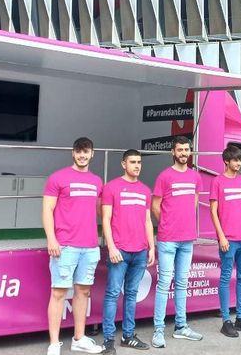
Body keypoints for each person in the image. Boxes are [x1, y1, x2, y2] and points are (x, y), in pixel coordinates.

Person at [43, 137, 105, 355]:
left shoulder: (97, 181)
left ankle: (79, 338)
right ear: (73, 153)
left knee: (83, 291)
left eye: (86, 151)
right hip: (65, 246)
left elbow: (101, 211)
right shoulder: (57, 178)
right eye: (79, 151)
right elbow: (47, 210)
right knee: (59, 293)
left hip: (90, 246)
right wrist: (51, 239)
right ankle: (54, 343)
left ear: (92, 153)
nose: (82, 155)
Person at [151, 136, 204, 348]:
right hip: (167, 239)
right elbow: (155, 206)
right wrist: (167, 224)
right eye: (180, 149)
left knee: (182, 283)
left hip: (187, 239)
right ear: (173, 152)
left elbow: (195, 202)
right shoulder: (164, 177)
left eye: (186, 149)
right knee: (164, 284)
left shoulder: (195, 177)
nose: (183, 153)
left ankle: (181, 327)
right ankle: (158, 330)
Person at [101, 150, 156, 353]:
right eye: (132, 162)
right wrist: (112, 247)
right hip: (120, 251)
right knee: (113, 294)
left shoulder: (145, 190)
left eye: (139, 162)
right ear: (124, 164)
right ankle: (108, 340)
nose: (137, 165)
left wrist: (152, 246)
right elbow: (105, 219)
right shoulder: (111, 187)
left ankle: (128, 336)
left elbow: (148, 221)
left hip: (140, 251)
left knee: (131, 294)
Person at [210, 144, 241, 338]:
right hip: (228, 239)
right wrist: (221, 235)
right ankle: (226, 320)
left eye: (240, 160)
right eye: (235, 160)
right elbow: (213, 211)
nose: (238, 163)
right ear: (226, 161)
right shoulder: (217, 182)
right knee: (225, 278)